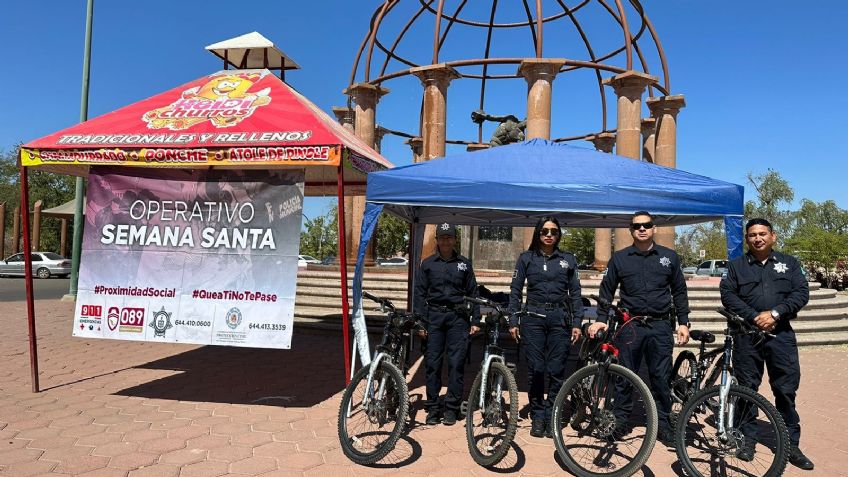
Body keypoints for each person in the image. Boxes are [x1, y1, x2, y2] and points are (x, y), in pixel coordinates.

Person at [588, 211, 690, 444]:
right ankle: (622, 420)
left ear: (654, 228)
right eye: (637, 226)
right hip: (630, 325)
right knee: (625, 376)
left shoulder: (669, 257)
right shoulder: (620, 258)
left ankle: (662, 423)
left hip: (660, 325)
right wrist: (602, 318)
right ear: (631, 230)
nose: (642, 229)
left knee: (660, 377)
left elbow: (679, 292)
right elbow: (607, 290)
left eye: (646, 225)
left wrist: (683, 322)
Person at [719, 218, 813, 470]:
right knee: (747, 389)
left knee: (785, 390)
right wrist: (753, 316)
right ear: (747, 239)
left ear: (773, 236)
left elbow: (801, 292)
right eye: (752, 235)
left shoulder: (790, 263)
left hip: (780, 334)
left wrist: (775, 313)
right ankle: (747, 439)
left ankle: (791, 445)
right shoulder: (736, 266)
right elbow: (727, 294)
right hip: (746, 335)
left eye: (762, 234)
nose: (757, 238)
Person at [508, 217, 583, 438]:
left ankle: (553, 415)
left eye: (553, 231)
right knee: (536, 369)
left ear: (559, 234)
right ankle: (538, 415)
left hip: (560, 318)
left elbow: (576, 293)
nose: (549, 235)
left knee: (557, 369)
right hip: (533, 317)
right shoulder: (526, 259)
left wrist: (577, 322)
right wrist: (513, 320)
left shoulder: (568, 259)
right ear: (537, 234)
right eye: (544, 231)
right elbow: (515, 290)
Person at [414, 223, 481, 426]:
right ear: (437, 240)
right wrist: (420, 322)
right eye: (442, 237)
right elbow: (419, 294)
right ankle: (433, 407)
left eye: (449, 237)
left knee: (456, 364)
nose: (445, 241)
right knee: (432, 364)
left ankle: (451, 408)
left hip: (457, 318)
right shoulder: (427, 264)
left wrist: (475, 319)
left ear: (454, 240)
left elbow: (473, 293)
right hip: (433, 318)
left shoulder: (464, 264)